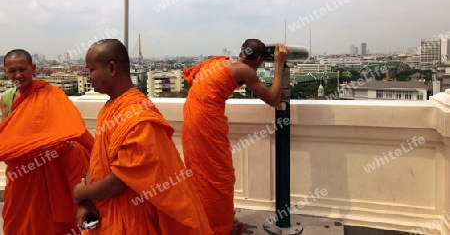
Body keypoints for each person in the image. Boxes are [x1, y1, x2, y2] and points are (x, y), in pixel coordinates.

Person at [72, 39, 212, 235]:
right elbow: (97, 158)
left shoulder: (137, 115)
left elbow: (121, 179)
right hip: (104, 209)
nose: (88, 76)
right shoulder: (110, 107)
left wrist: (82, 192)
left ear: (112, 68)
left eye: (91, 69)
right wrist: (87, 199)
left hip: (131, 214)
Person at [182, 39, 289, 235]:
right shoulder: (245, 70)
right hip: (206, 121)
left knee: (201, 175)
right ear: (258, 60)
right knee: (219, 177)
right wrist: (279, 63)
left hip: (191, 117)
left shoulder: (221, 61)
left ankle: (205, 222)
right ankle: (217, 228)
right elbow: (273, 99)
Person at [0, 49, 94, 235]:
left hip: (51, 165)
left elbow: (70, 127)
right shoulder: (7, 98)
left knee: (50, 218)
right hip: (21, 171)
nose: (18, 75)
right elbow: (7, 134)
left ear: (33, 68)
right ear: (5, 72)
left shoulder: (51, 94)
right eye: (12, 71)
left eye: (23, 69)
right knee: (18, 218)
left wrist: (62, 142)